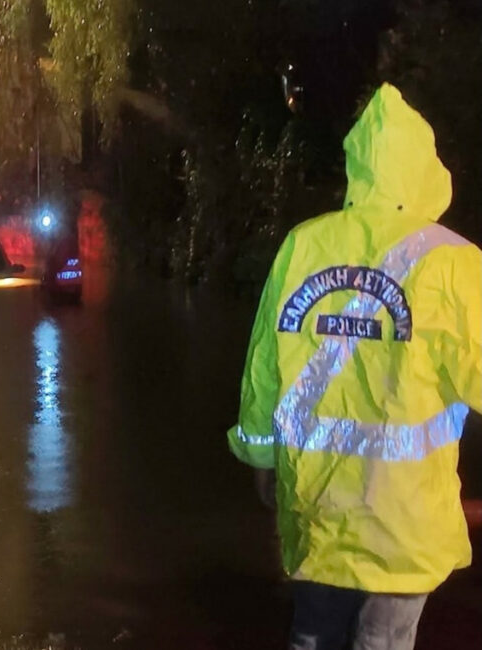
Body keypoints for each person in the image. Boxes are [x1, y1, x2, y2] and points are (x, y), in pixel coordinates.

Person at [228, 83, 481, 649]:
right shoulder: (455, 263)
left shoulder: (304, 246)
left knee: (313, 634)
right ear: (425, 167)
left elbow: (264, 368)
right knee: (383, 642)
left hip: (317, 508)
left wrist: (262, 457)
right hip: (404, 518)